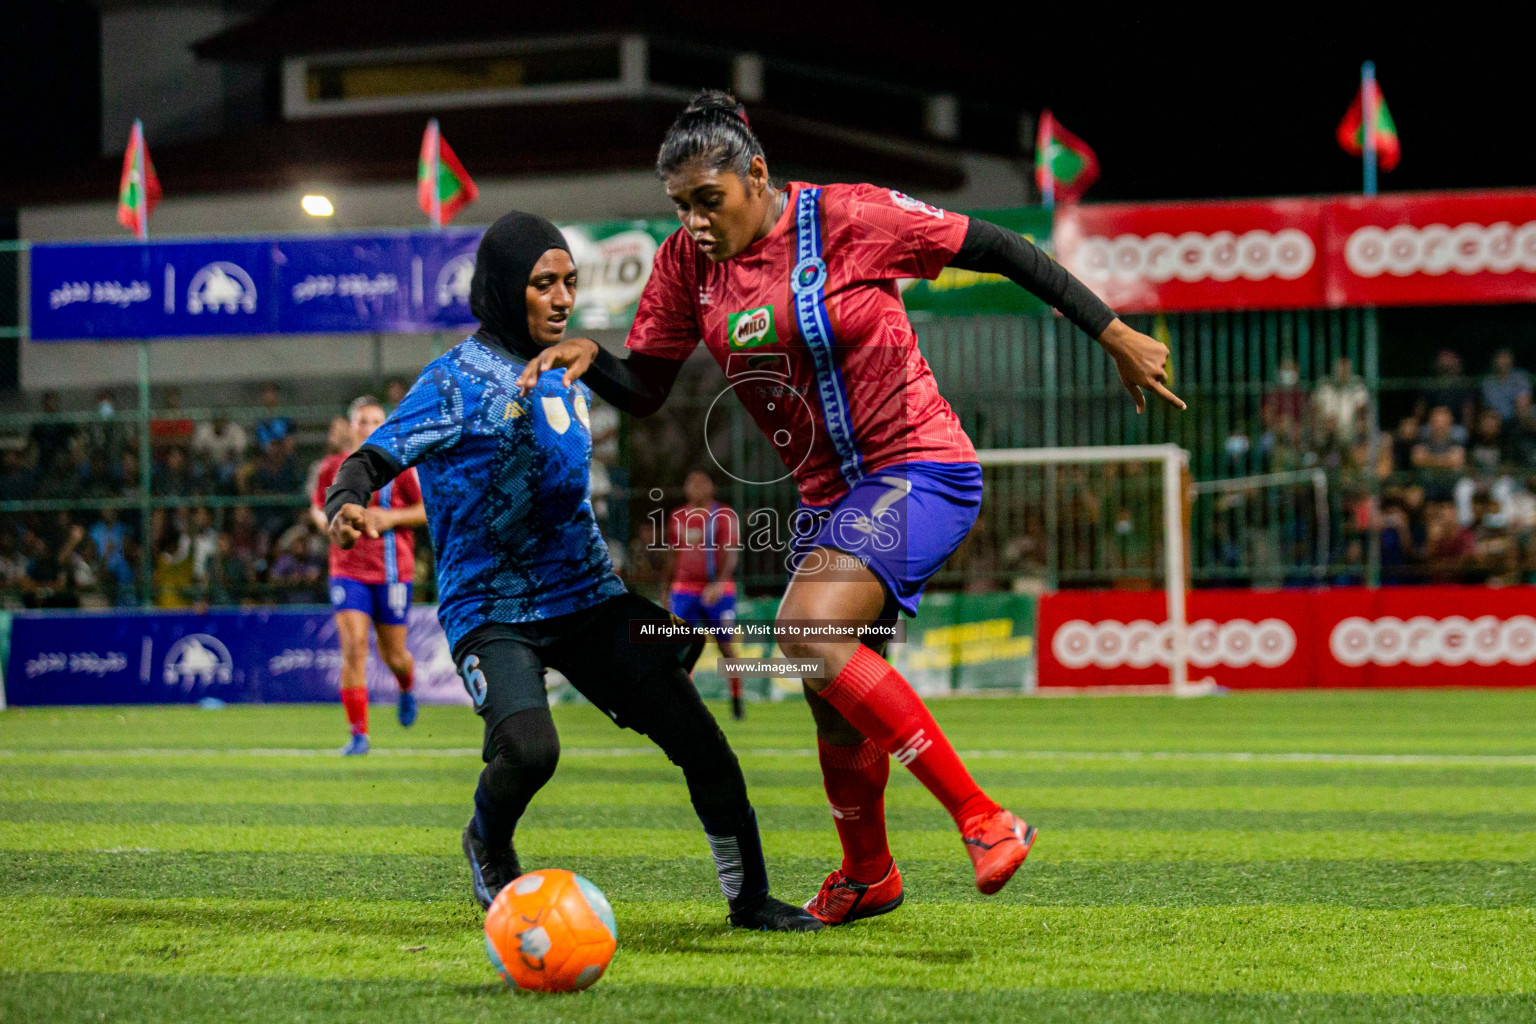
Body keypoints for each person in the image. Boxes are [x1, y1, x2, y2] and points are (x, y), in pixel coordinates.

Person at [521, 91, 1183, 926]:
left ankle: (984, 818)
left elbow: (1003, 247)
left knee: (803, 630)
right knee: (823, 691)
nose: (693, 221)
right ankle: (868, 874)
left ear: (756, 174)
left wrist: (1113, 331)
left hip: (921, 464)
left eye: (708, 200)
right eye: (680, 206)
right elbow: (647, 388)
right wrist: (590, 354)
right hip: (830, 502)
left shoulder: (849, 217)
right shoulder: (690, 264)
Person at [323, 211, 819, 932]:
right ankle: (486, 838)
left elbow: (639, 395)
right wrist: (345, 501)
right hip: (491, 609)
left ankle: (749, 901)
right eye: (542, 283)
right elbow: (372, 458)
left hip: (588, 599)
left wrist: (603, 358)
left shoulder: (570, 375)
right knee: (530, 752)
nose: (561, 298)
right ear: (500, 290)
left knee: (702, 742)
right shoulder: (454, 379)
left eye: (569, 283)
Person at [311, 396, 426, 755]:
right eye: (362, 421)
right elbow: (318, 509)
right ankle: (359, 735)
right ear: (351, 426)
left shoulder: (400, 468)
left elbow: (427, 510)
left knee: (395, 656)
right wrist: (331, 525)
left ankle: (406, 687)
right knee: (354, 648)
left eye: (377, 420)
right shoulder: (333, 467)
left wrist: (388, 519)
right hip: (348, 571)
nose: (369, 426)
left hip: (392, 572)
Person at [666, 469, 746, 719]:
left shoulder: (722, 514)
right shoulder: (677, 516)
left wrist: (720, 583)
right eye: (692, 483)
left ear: (711, 487)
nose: (697, 488)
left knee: (726, 647)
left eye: (702, 483)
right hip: (683, 589)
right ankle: (684, 704)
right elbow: (672, 554)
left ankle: (736, 698)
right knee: (679, 647)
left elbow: (731, 551)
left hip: (717, 590)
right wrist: (665, 588)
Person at [1481, 348, 1532, 422]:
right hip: (1496, 420)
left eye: (1506, 357)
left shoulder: (1520, 376)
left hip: (1518, 418)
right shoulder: (1488, 381)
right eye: (1501, 357)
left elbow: (1524, 401)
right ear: (1495, 360)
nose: (1504, 361)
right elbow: (1489, 405)